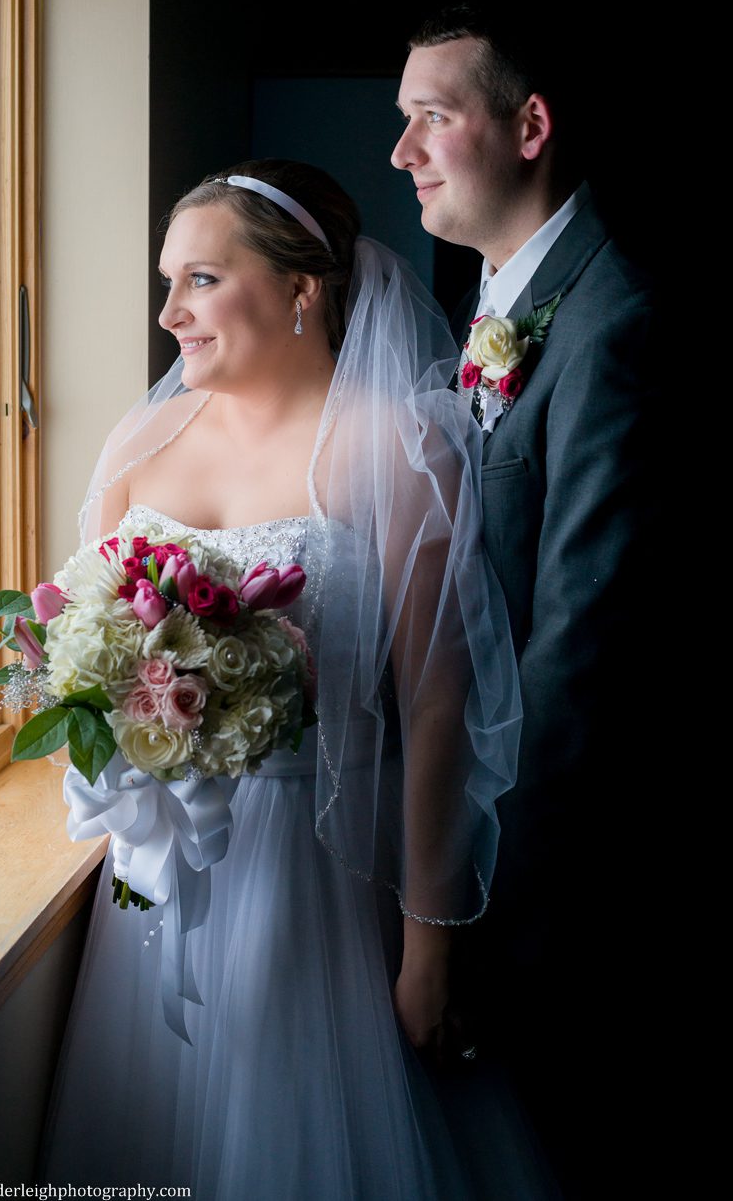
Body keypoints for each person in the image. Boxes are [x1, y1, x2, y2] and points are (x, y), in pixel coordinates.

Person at [39, 160, 561, 1199]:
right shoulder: (140, 443)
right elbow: (83, 651)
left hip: (315, 875)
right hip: (152, 874)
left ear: (298, 291)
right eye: (167, 281)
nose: (168, 312)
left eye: (199, 280)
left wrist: (430, 945)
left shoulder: (398, 449)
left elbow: (438, 706)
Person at [392, 5, 660, 1199]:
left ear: (530, 125)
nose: (403, 152)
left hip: (555, 893)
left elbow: (578, 659)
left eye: (430, 117)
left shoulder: (616, 322)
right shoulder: (498, 295)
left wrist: (468, 908)